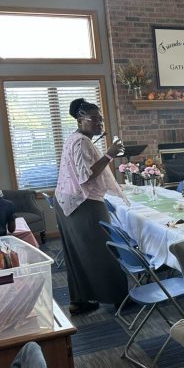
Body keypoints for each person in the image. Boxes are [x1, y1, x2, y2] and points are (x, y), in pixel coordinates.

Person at [54, 98, 128, 315]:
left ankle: (80, 301)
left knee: (76, 254)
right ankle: (120, 298)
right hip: (83, 203)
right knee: (104, 249)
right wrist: (110, 154)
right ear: (79, 120)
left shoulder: (75, 139)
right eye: (94, 119)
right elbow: (86, 175)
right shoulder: (81, 142)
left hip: (68, 201)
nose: (99, 123)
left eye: (100, 119)